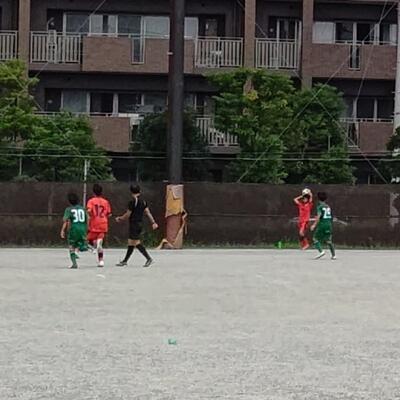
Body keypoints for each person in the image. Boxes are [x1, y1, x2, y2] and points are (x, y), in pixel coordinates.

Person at [115, 185, 159, 267]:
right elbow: (148, 212)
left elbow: (128, 214)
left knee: (136, 243)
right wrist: (153, 222)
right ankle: (125, 261)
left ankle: (149, 258)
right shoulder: (143, 202)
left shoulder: (132, 202)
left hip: (134, 224)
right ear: (140, 191)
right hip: (140, 224)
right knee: (131, 243)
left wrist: (120, 218)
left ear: (131, 192)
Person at [87, 184, 112, 267]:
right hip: (103, 223)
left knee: (86, 240)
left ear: (93, 192)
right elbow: (109, 214)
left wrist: (90, 215)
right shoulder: (106, 202)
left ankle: (93, 247)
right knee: (99, 242)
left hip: (94, 223)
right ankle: (101, 261)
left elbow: (89, 210)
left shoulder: (91, 201)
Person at [60, 192, 88, 269]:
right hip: (82, 228)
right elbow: (87, 219)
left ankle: (74, 264)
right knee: (80, 241)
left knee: (71, 245)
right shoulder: (83, 209)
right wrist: (86, 228)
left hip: (74, 229)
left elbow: (65, 221)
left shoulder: (69, 209)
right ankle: (83, 247)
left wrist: (62, 230)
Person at [310, 192, 336, 260]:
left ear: (318, 199)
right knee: (329, 240)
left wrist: (314, 225)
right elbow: (330, 216)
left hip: (322, 224)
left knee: (315, 238)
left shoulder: (320, 206)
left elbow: (319, 216)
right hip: (329, 224)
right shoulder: (328, 206)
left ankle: (321, 251)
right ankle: (333, 255)